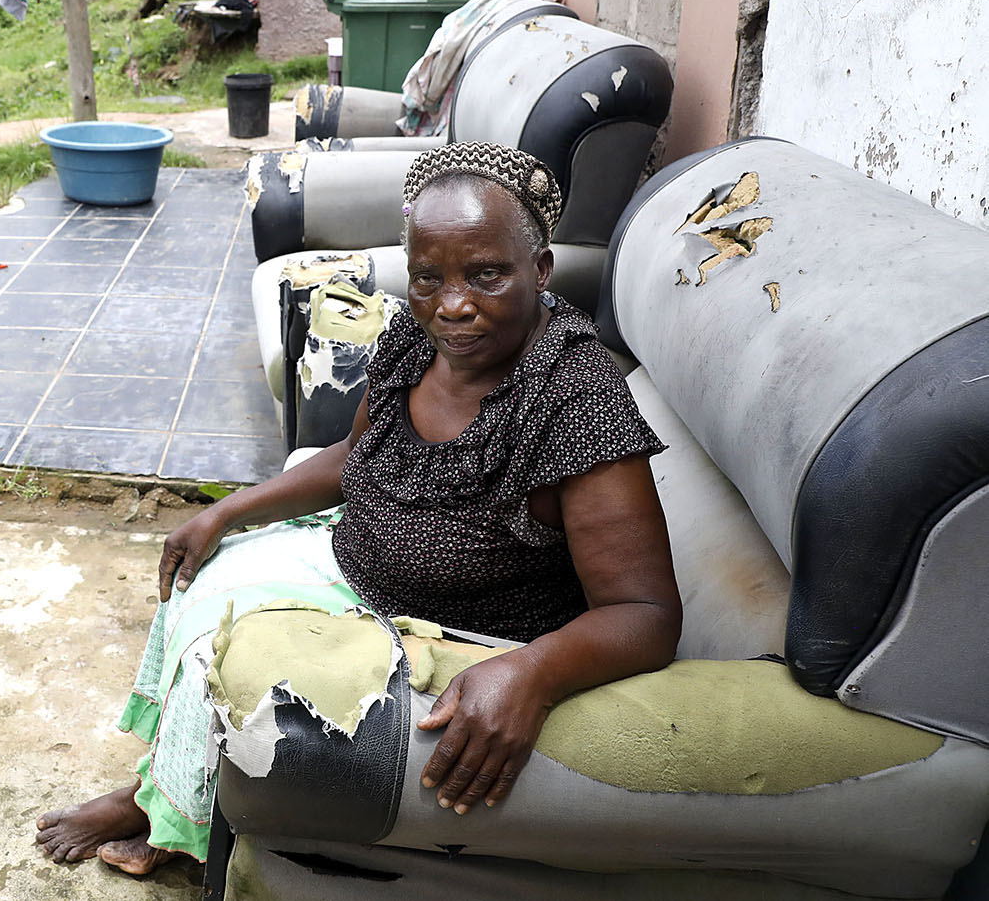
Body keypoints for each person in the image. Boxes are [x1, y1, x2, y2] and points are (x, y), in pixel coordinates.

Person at [34, 142, 681, 875]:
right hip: (354, 559)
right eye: (427, 278)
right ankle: (163, 792)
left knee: (232, 647)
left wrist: (530, 675)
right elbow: (357, 454)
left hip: (455, 626)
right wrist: (231, 510)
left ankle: (170, 813)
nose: (453, 305)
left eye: (486, 275)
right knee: (200, 582)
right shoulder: (417, 331)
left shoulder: (574, 398)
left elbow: (644, 615)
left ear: (539, 270)